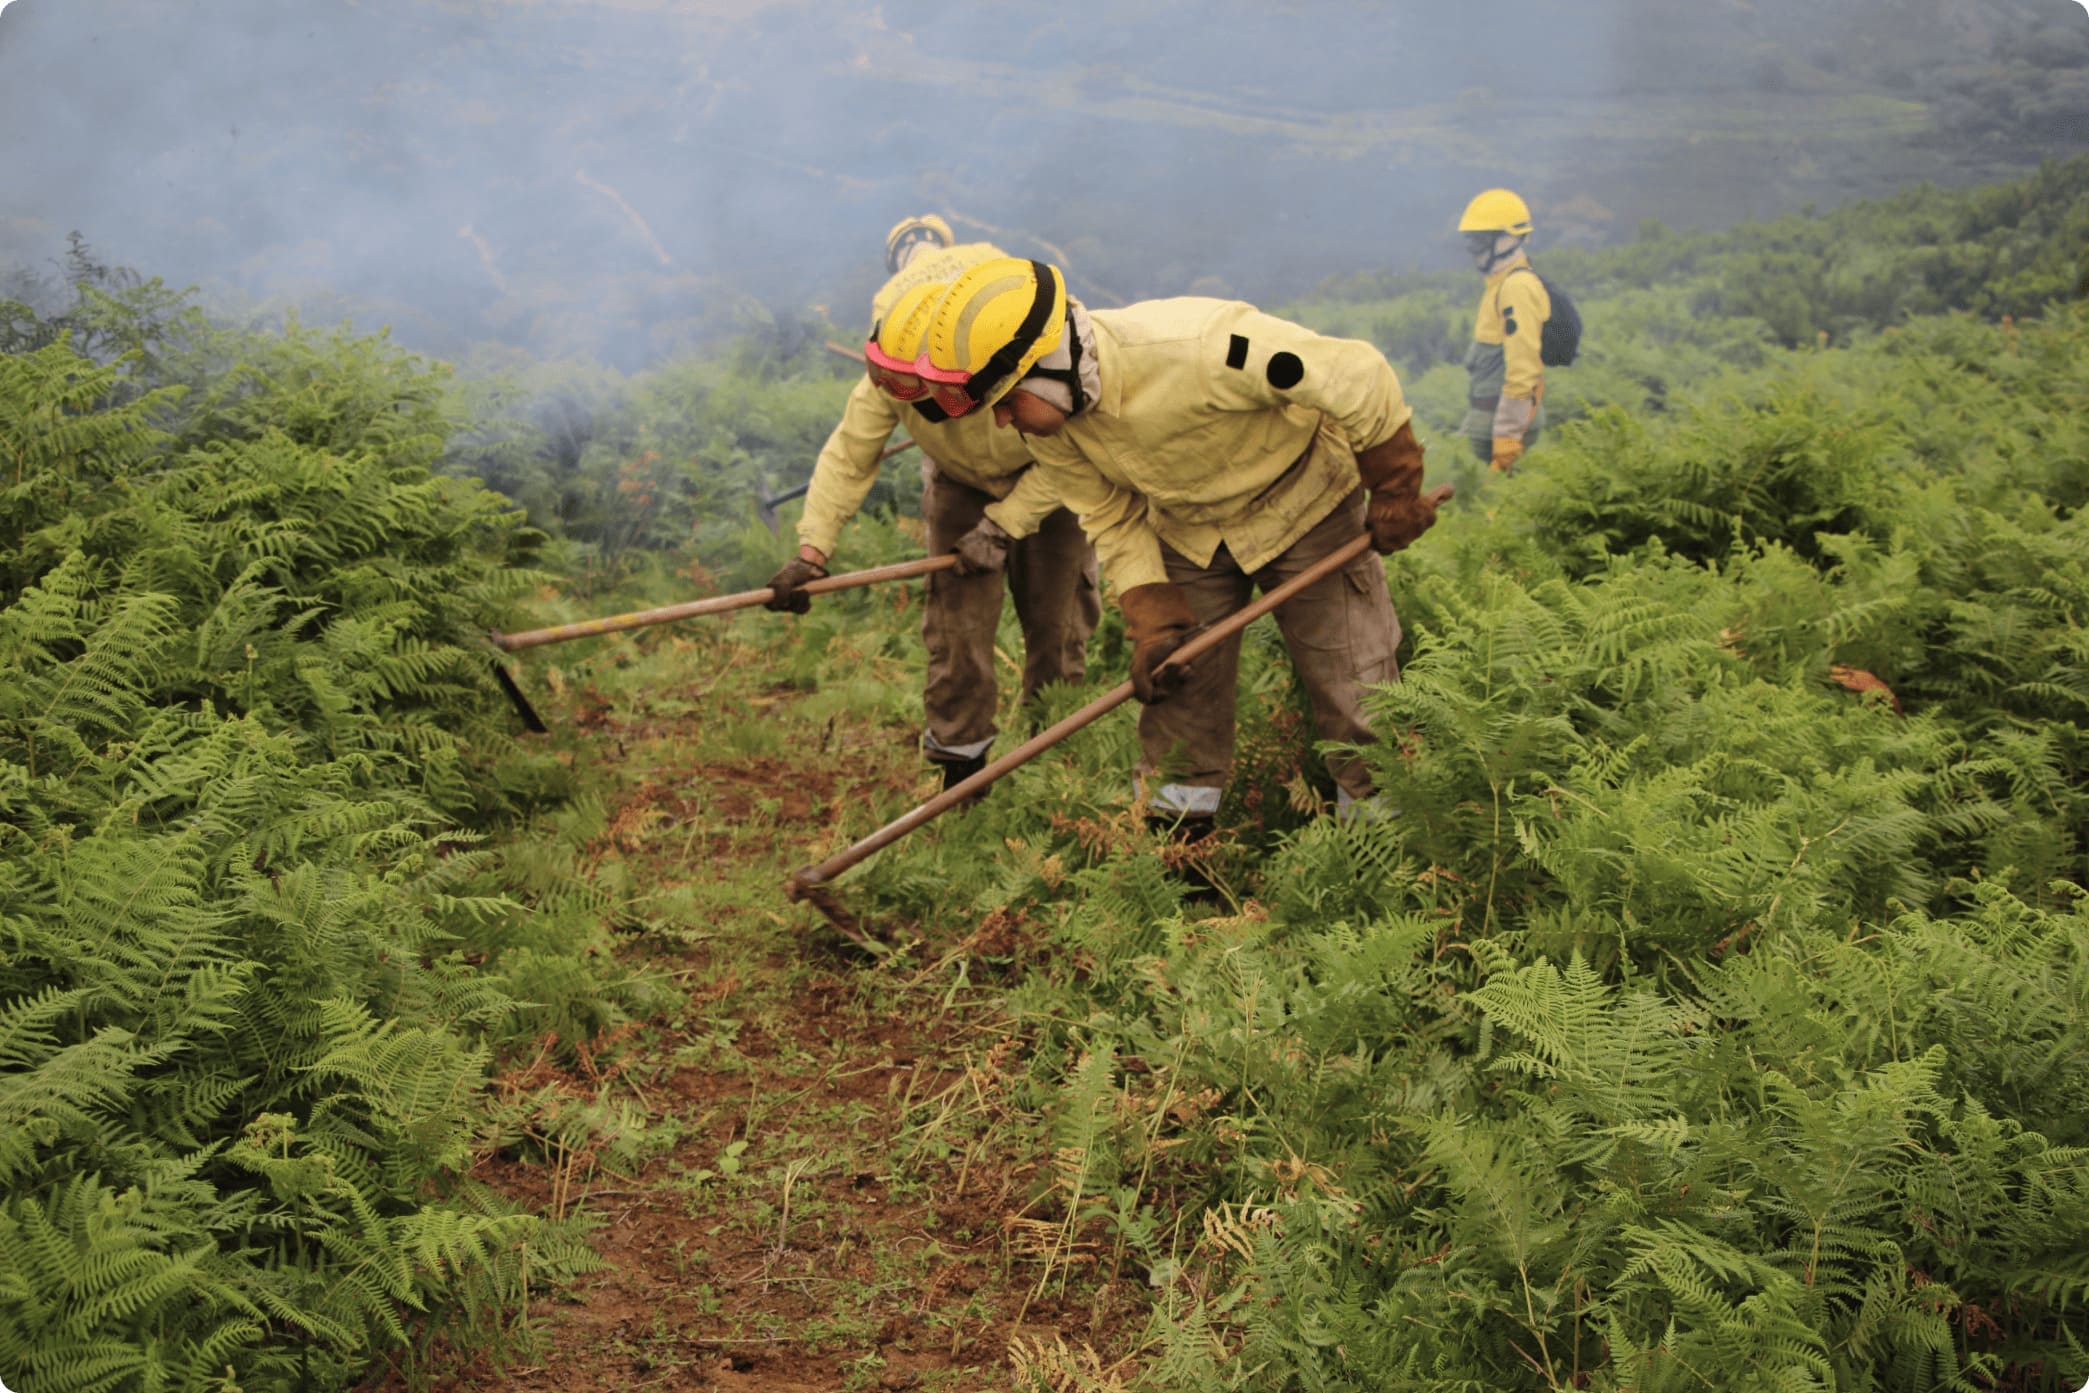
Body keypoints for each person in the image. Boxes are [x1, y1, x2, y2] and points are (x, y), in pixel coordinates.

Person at [919, 256, 1451, 833]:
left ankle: (1380, 843)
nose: (1002, 423)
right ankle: (1181, 854)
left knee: (1354, 680)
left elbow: (1357, 374)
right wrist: (1154, 622)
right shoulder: (1050, 432)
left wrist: (1395, 488)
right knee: (1178, 689)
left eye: (1006, 401)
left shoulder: (1204, 346)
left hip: (1308, 509)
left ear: (1048, 364)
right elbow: (1111, 517)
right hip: (1189, 534)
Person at [764, 223, 1101, 795]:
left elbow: (1081, 445)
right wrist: (811, 551)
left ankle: (1053, 765)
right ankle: (963, 774)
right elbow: (849, 456)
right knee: (957, 629)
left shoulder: (1022, 329)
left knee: (1059, 621)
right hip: (958, 480)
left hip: (1053, 469)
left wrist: (1006, 525)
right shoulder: (891, 357)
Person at [1457, 188, 1551, 474]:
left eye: (1481, 240)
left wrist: (1508, 435)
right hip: (1487, 420)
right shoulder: (1500, 284)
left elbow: (1523, 366)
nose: (1474, 250)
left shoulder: (1517, 288)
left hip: (1501, 426)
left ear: (1509, 238)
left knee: (1479, 502)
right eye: (1471, 241)